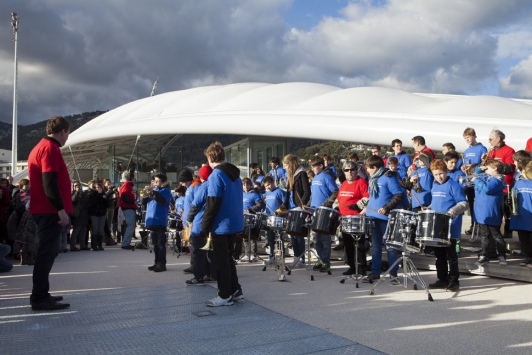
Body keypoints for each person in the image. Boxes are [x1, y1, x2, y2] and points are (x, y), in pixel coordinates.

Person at [27, 116, 72, 311]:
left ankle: (42, 294)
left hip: (44, 209)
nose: (67, 137)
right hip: (49, 211)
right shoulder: (50, 148)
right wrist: (60, 210)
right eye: (68, 133)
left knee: (48, 253)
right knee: (46, 254)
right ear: (63, 131)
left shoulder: (41, 146)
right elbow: (50, 182)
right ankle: (39, 297)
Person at [201, 142, 244, 307]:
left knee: (220, 261)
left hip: (221, 225)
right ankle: (235, 289)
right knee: (229, 258)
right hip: (235, 223)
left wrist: (204, 227)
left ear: (211, 158)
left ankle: (224, 294)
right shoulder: (236, 176)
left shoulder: (215, 175)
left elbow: (212, 202)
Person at [427, 160, 468, 292]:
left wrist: (454, 210)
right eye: (435, 174)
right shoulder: (434, 185)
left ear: (446, 172)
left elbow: (464, 203)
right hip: (437, 226)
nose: (439, 177)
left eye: (441, 173)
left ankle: (454, 282)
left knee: (452, 257)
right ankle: (442, 279)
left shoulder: (453, 185)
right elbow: (436, 203)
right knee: (440, 256)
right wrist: (428, 208)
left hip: (451, 226)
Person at [361, 155, 403, 283]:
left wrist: (386, 207)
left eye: (368, 168)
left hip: (385, 218)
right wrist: (366, 209)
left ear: (375, 167)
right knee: (376, 247)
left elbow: (398, 195)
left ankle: (393, 272)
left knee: (390, 247)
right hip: (373, 217)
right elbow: (373, 198)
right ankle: (375, 272)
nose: (367, 171)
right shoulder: (373, 179)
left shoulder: (389, 178)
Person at [335, 160, 370, 276]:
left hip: (356, 218)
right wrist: (335, 206)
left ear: (356, 171)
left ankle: (361, 268)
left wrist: (358, 205)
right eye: (346, 170)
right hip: (344, 218)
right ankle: (351, 266)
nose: (350, 172)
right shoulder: (344, 183)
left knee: (358, 245)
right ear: (343, 171)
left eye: (352, 169)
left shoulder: (361, 182)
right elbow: (338, 199)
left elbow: (367, 198)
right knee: (347, 244)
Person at [471, 160, 507, 266]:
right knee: (484, 236)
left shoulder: (497, 180)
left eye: (488, 168)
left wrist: (477, 180)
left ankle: (502, 255)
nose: (486, 169)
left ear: (495, 168)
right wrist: (479, 168)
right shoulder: (488, 178)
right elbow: (475, 175)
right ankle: (484, 255)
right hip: (482, 212)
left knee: (496, 235)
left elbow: (487, 189)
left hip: (491, 213)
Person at [186, 165, 217, 285]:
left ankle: (198, 276)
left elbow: (195, 204)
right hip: (213, 224)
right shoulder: (216, 185)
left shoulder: (204, 186)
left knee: (198, 252)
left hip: (200, 224)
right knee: (211, 251)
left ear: (202, 175)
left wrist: (189, 219)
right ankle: (213, 274)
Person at [309, 156, 338, 273]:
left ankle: (326, 263)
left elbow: (335, 192)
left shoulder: (326, 177)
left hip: (325, 212)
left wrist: (325, 204)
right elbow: (313, 195)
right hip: (315, 212)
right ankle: (321, 260)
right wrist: (307, 205)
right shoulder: (315, 178)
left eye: (314, 166)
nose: (313, 169)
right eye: (311, 167)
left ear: (320, 166)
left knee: (325, 239)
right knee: (318, 240)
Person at [485, 129, 516, 238]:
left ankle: (508, 232)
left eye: (491, 139)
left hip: (505, 186)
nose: (489, 141)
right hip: (493, 185)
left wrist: (497, 167)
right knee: (496, 211)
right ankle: (495, 232)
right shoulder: (491, 151)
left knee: (506, 210)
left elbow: (511, 167)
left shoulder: (509, 150)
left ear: (498, 139)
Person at [281, 154, 310, 267]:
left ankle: (301, 258)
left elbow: (307, 191)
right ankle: (296, 257)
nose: (285, 167)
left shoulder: (301, 173)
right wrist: (284, 204)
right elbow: (288, 194)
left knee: (298, 234)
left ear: (291, 164)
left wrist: (302, 203)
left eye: (286, 165)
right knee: (292, 235)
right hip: (291, 208)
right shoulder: (290, 175)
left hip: (299, 207)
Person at [461, 127, 488, 235]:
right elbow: (465, 163)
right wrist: (464, 167)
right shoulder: (466, 151)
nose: (467, 140)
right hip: (469, 180)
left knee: (479, 204)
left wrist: (473, 166)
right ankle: (473, 225)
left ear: (474, 136)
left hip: (479, 180)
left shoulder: (482, 148)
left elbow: (484, 163)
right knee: (471, 204)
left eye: (469, 137)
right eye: (465, 138)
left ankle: (480, 225)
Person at [144, 174, 173, 272]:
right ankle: (156, 262)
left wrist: (153, 193)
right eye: (155, 181)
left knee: (161, 244)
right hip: (151, 220)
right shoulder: (153, 190)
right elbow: (144, 203)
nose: (155, 182)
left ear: (163, 182)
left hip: (160, 220)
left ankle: (162, 264)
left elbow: (162, 201)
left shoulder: (165, 191)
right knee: (155, 244)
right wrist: (145, 194)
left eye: (158, 181)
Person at [510, 152, 532, 267]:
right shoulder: (517, 176)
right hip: (521, 213)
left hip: (530, 212)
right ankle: (528, 257)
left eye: (515, 160)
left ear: (520, 162)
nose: (513, 163)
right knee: (523, 237)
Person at [180, 168, 201, 273]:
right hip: (188, 220)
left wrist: (191, 220)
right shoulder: (189, 188)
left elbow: (197, 204)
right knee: (191, 245)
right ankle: (193, 265)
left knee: (195, 245)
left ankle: (195, 266)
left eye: (183, 181)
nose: (182, 184)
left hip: (193, 221)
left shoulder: (195, 186)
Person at [262, 176, 286, 263]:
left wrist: (282, 208)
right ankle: (271, 256)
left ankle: (281, 257)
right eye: (266, 186)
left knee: (279, 239)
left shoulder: (280, 191)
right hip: (269, 219)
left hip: (278, 218)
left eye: (269, 185)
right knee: (270, 239)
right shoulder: (267, 194)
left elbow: (286, 204)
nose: (268, 187)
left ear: (273, 182)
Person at [241, 177, 265, 261]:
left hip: (252, 217)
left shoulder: (255, 194)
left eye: (247, 184)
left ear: (250, 185)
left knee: (252, 237)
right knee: (244, 237)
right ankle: (247, 253)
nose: (245, 186)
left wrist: (250, 210)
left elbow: (260, 204)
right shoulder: (241, 194)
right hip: (243, 217)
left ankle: (253, 254)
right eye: (244, 185)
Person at [118, 172, 137, 250]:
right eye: (134, 178)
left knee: (130, 225)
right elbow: (123, 196)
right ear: (132, 178)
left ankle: (126, 243)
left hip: (128, 207)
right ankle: (125, 243)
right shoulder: (127, 185)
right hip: (128, 207)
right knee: (130, 225)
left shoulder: (127, 185)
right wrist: (133, 201)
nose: (135, 180)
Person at [88, 182, 109, 251]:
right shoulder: (92, 194)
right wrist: (98, 195)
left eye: (100, 188)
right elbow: (93, 203)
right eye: (98, 188)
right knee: (95, 229)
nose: (99, 189)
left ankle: (100, 245)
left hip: (102, 214)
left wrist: (106, 197)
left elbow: (106, 204)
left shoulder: (104, 194)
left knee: (101, 230)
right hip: (95, 214)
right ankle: (94, 245)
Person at [71, 181, 90, 251]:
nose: (77, 187)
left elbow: (87, 201)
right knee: (76, 231)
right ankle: (72, 246)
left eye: (78, 185)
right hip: (77, 215)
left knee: (83, 230)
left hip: (84, 214)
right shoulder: (73, 193)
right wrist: (76, 192)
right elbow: (73, 200)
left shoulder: (83, 194)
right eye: (76, 185)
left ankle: (83, 245)